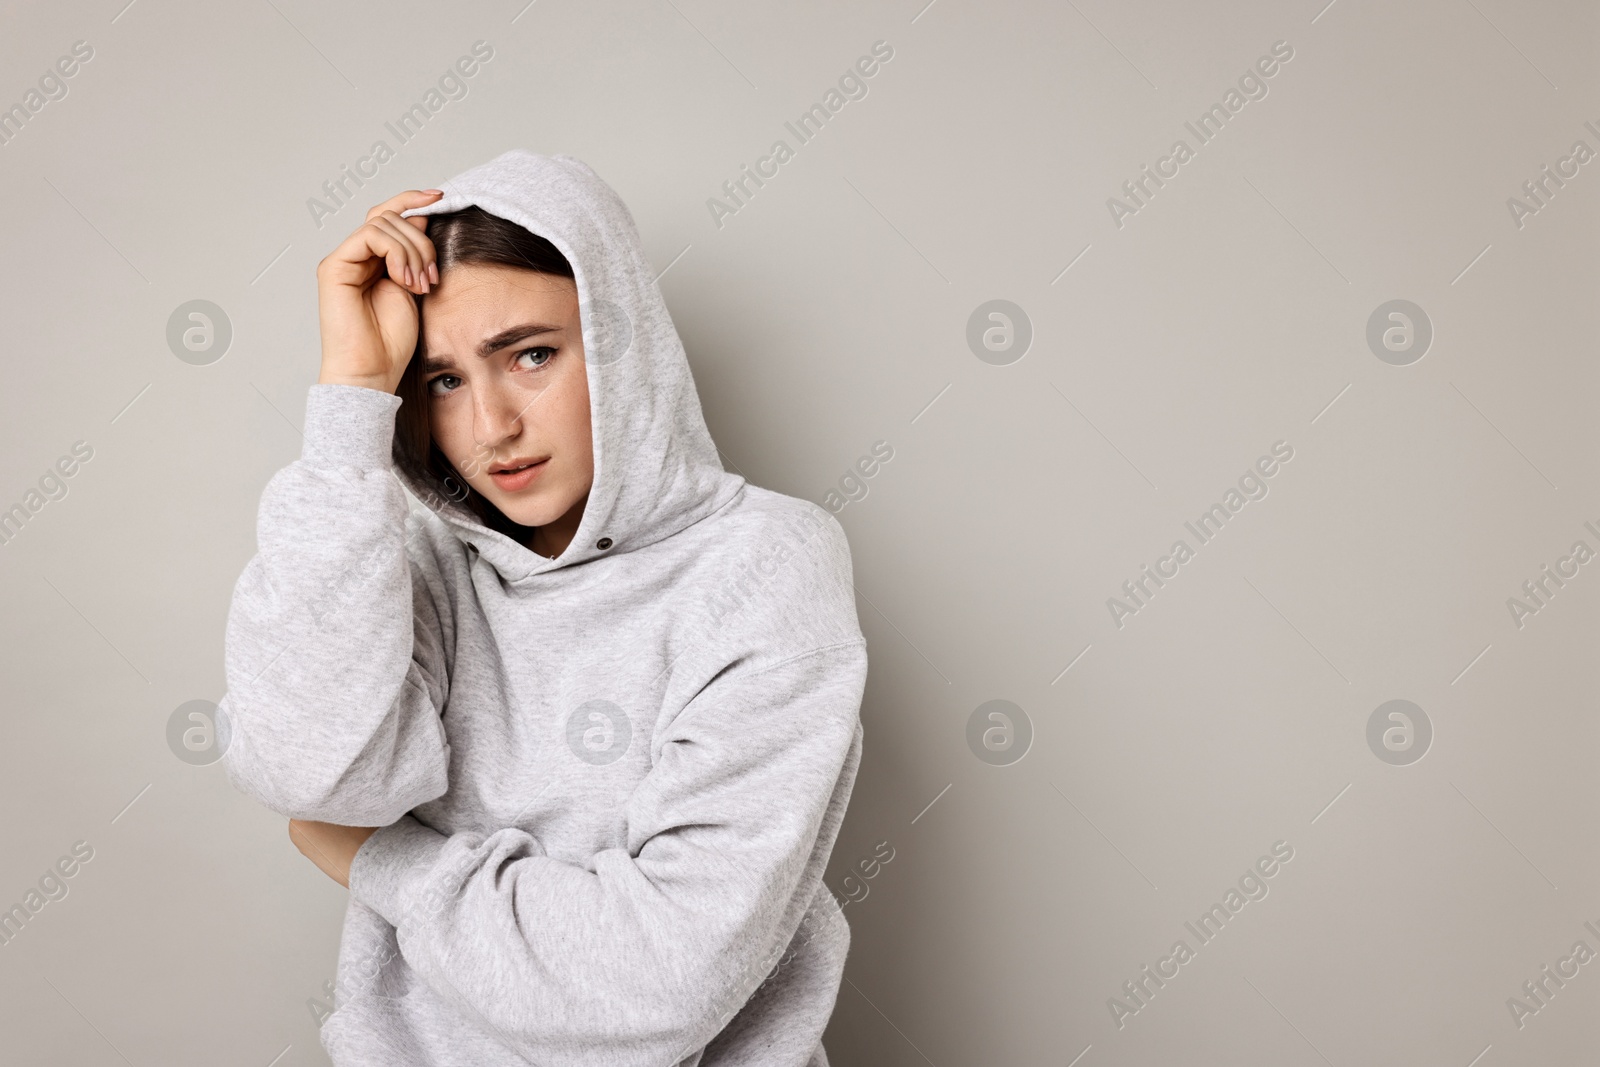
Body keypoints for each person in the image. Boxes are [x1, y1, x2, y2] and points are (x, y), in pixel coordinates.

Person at [218, 149, 868, 1066]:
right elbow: (311, 777)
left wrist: (381, 857)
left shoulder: (763, 561)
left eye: (530, 355)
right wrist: (351, 400)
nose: (491, 428)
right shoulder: (406, 562)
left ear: (619, 339)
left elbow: (660, 982)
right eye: (442, 380)